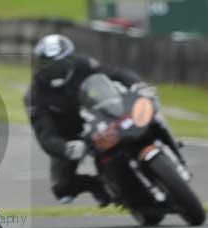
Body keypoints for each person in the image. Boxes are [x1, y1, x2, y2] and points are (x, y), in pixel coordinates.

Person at [24, 34, 141, 206]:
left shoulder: (83, 64)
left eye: (60, 64)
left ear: (70, 59)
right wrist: (65, 148)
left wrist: (137, 85)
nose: (56, 70)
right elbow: (45, 135)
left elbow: (115, 73)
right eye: (49, 66)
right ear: (40, 66)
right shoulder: (34, 96)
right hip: (70, 136)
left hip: (101, 115)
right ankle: (98, 186)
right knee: (62, 189)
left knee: (141, 114)